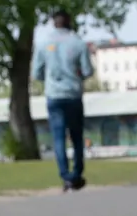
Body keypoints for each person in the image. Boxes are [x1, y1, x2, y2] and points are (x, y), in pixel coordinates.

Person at [31, 9, 94, 192]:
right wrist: (76, 76)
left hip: (54, 95)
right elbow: (88, 71)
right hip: (73, 95)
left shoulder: (43, 43)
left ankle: (65, 174)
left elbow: (36, 73)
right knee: (76, 137)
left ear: (53, 22)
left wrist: (50, 79)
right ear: (69, 22)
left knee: (58, 137)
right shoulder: (78, 43)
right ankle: (77, 173)